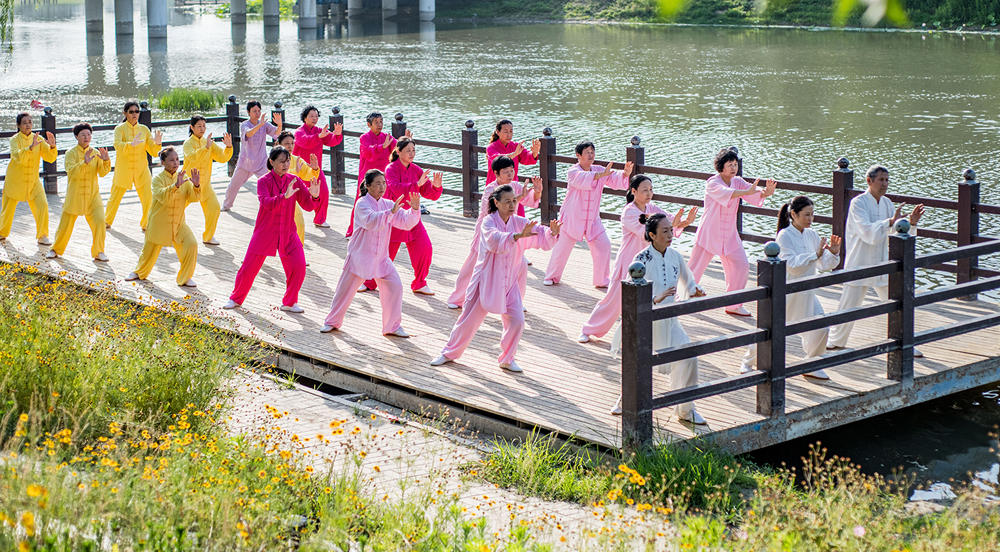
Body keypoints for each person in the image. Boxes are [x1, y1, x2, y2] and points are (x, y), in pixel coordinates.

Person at [430, 185, 561, 373]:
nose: (512, 205)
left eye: (514, 201)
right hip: (486, 281)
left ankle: (507, 359)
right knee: (467, 322)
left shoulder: (518, 221)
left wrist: (552, 232)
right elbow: (493, 240)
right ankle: (448, 353)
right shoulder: (488, 222)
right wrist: (516, 236)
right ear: (496, 202)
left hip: (509, 283)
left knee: (517, 321)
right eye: (507, 201)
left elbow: (538, 232)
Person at [610, 213, 706, 424]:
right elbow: (631, 290)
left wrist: (694, 289)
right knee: (639, 363)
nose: (670, 234)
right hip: (646, 322)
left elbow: (688, 279)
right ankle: (625, 400)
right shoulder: (641, 260)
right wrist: (654, 297)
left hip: (669, 319)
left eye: (671, 230)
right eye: (665, 231)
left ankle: (685, 408)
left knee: (688, 357)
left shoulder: (675, 256)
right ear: (652, 235)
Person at [578, 174, 696, 343]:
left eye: (651, 189)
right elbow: (648, 233)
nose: (649, 193)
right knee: (613, 301)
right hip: (629, 263)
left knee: (656, 298)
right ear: (633, 191)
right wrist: (675, 222)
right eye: (644, 190)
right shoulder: (629, 212)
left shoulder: (651, 207)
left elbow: (668, 222)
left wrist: (683, 222)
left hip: (651, 262)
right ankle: (588, 329)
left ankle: (657, 337)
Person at [739, 196, 842, 378]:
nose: (810, 219)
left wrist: (833, 253)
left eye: (812, 215)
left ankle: (812, 363)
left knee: (821, 328)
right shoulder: (784, 235)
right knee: (769, 329)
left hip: (807, 293)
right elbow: (792, 266)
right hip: (786, 293)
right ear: (793, 214)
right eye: (806, 215)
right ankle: (748, 361)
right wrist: (815, 254)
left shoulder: (812, 235)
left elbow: (823, 264)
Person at [827, 165, 925, 356]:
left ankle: (906, 342)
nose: (885, 184)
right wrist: (890, 222)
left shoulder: (888, 204)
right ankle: (835, 341)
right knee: (848, 305)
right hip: (860, 261)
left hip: (881, 263)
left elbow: (896, 233)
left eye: (887, 180)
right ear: (869, 181)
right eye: (881, 180)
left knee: (897, 303)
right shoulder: (858, 203)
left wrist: (911, 223)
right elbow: (867, 232)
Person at [321, 169, 421, 337]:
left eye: (384, 183)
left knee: (395, 286)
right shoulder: (361, 203)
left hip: (381, 258)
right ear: (368, 186)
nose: (382, 187)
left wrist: (414, 210)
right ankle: (331, 322)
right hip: (360, 256)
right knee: (344, 291)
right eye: (378, 184)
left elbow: (405, 221)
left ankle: (392, 327)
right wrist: (391, 212)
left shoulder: (388, 204)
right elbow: (372, 221)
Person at [223, 146, 320, 313]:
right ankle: (235, 299)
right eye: (282, 161)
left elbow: (309, 206)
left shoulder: (294, 180)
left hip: (288, 233)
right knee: (248, 268)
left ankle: (289, 303)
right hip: (265, 232)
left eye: (287, 160)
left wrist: (316, 195)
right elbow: (267, 203)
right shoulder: (263, 181)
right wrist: (285, 197)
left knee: (299, 266)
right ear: (271, 162)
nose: (286, 164)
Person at [687, 148, 777, 316]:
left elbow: (753, 193)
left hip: (729, 235)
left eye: (735, 164)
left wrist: (766, 193)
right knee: (695, 268)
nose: (734, 168)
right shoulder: (712, 182)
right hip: (709, 233)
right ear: (721, 167)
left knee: (741, 266)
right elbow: (729, 194)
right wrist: (748, 192)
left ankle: (733, 304)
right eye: (730, 165)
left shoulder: (738, 181)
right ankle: (680, 300)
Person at [446, 155, 541, 309]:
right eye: (506, 172)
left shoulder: (515, 186)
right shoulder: (491, 189)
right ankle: (457, 298)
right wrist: (518, 197)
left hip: (508, 233)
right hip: (488, 233)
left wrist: (537, 192)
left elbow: (531, 200)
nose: (510, 174)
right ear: (496, 173)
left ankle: (516, 301)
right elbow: (491, 210)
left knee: (521, 265)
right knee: (474, 266)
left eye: (512, 170)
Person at [543, 141, 632, 288]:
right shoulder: (573, 171)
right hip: (572, 217)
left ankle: (601, 280)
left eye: (592, 152)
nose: (591, 155)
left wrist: (625, 174)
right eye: (587, 152)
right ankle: (551, 276)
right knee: (562, 248)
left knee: (604, 245)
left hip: (592, 218)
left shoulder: (598, 169)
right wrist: (600, 175)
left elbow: (614, 178)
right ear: (578, 155)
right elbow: (581, 180)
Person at [360, 137, 443, 295]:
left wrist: (436, 187)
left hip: (412, 216)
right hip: (394, 217)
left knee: (425, 248)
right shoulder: (390, 168)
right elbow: (396, 188)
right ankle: (369, 282)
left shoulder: (416, 170)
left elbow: (428, 192)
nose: (412, 153)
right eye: (408, 150)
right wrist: (415, 185)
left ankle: (419, 283)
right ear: (398, 152)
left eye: (413, 150)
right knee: (384, 255)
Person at [125, 148, 201, 287]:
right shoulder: (157, 180)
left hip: (179, 223)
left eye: (177, 159)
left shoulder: (183, 177)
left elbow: (195, 198)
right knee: (148, 253)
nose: (175, 162)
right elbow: (162, 197)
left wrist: (196, 185)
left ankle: (185, 277)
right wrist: (176, 185)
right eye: (171, 160)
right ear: (162, 162)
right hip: (159, 223)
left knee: (192, 244)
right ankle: (138, 272)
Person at [48, 123, 111, 261]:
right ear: (76, 136)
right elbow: (72, 172)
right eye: (83, 135)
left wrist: (106, 161)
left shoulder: (95, 152)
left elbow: (103, 173)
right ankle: (55, 249)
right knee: (65, 226)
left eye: (88, 134)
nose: (86, 137)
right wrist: (85, 162)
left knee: (100, 222)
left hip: (92, 196)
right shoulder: (70, 153)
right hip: (74, 196)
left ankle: (99, 252)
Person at [346, 112, 410, 238]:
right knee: (362, 201)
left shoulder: (387, 136)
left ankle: (383, 229)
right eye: (376, 122)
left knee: (383, 201)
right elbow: (368, 153)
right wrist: (382, 146)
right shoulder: (364, 137)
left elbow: (397, 148)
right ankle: (354, 230)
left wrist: (406, 141)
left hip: (383, 176)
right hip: (368, 175)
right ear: (369, 124)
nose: (380, 124)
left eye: (381, 121)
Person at [105, 101, 163, 230]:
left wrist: (158, 144)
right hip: (124, 170)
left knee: (148, 197)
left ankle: (146, 223)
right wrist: (131, 145)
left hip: (141, 170)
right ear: (125, 113)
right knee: (114, 198)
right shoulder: (119, 129)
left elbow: (152, 151)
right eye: (131, 112)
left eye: (137, 111)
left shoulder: (144, 129)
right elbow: (117, 145)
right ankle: (107, 220)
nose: (134, 114)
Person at [1, 112, 57, 245]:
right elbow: (17, 157)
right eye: (25, 122)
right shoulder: (15, 140)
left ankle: (42, 235)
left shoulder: (39, 139)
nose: (28, 125)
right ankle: (2, 233)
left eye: (30, 122)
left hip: (33, 181)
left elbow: (50, 158)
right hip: (15, 180)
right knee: (7, 210)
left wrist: (53, 146)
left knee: (42, 205)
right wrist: (30, 147)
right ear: (18, 125)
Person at [221, 101, 282, 211]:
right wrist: (260, 125)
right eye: (254, 111)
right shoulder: (245, 124)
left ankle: (276, 204)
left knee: (272, 182)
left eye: (259, 111)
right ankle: (226, 205)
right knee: (234, 185)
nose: (257, 113)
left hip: (261, 162)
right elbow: (248, 133)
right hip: (246, 162)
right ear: (248, 112)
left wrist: (279, 124)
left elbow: (276, 133)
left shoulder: (264, 124)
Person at [181, 114, 233, 245]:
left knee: (214, 208)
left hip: (205, 184)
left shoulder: (208, 142)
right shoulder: (188, 144)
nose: (202, 128)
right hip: (188, 184)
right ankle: (166, 232)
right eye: (199, 126)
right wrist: (206, 148)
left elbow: (222, 158)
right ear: (192, 127)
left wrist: (228, 147)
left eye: (204, 126)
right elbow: (193, 157)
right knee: (176, 209)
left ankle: (208, 237)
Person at [292, 105, 342, 228]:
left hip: (315, 170)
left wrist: (337, 135)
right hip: (299, 170)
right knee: (294, 196)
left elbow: (331, 140)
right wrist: (319, 136)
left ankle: (319, 219)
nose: (315, 118)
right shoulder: (299, 132)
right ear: (304, 118)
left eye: (316, 116)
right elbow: (304, 142)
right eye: (311, 116)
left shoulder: (320, 130)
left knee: (324, 192)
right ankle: (290, 218)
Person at [276, 131, 321, 247]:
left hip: (291, 200)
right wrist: (294, 171)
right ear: (278, 144)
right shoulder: (273, 159)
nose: (290, 146)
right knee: (267, 231)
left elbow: (309, 176)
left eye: (292, 143)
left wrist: (315, 169)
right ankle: (255, 255)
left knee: (299, 224)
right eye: (287, 143)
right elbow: (277, 176)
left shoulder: (297, 160)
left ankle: (298, 253)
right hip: (275, 200)